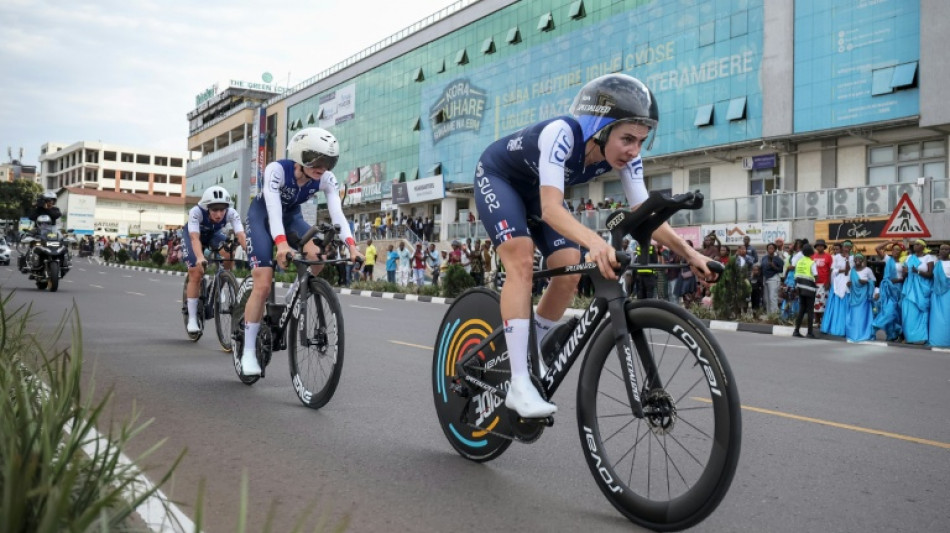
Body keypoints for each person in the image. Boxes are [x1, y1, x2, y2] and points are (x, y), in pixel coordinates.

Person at [472, 73, 716, 418]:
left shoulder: (627, 157)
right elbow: (551, 209)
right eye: (627, 138)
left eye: (641, 142)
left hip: (536, 192)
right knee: (522, 261)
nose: (634, 150)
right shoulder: (562, 133)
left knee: (569, 268)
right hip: (500, 178)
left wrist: (690, 253)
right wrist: (597, 242)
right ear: (600, 130)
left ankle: (535, 347)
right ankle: (519, 383)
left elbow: (645, 213)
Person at [240, 127, 360, 376]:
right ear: (299, 155)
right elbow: (273, 210)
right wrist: (281, 244)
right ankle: (248, 351)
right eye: (316, 159)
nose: (322, 166)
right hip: (263, 217)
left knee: (318, 256)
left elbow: (337, 213)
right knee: (262, 284)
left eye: (329, 160)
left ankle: (296, 295)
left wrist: (352, 245)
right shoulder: (276, 170)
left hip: (291, 217)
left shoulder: (326, 178)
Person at [183, 186, 248, 333]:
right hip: (193, 236)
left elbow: (241, 235)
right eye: (214, 210)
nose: (219, 214)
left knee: (229, 252)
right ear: (207, 208)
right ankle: (192, 317)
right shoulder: (196, 212)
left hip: (213, 234)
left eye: (222, 210)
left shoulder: (231, 213)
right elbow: (194, 238)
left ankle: (222, 280)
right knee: (195, 272)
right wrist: (200, 257)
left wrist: (251, 253)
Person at [900, 239, 935, 344]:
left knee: (921, 312)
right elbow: (904, 275)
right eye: (914, 244)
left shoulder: (928, 257)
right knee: (909, 313)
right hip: (909, 288)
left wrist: (918, 271)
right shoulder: (909, 257)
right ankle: (909, 337)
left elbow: (930, 275)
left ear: (923, 246)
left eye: (918, 244)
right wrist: (905, 272)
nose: (915, 246)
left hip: (922, 289)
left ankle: (921, 337)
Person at [872, 242, 904, 341]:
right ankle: (876, 325)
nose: (895, 251)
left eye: (898, 249)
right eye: (894, 249)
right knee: (889, 311)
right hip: (888, 289)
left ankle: (893, 335)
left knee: (897, 313)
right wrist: (889, 241)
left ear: (901, 252)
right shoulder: (888, 259)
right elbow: (877, 248)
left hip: (899, 289)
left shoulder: (904, 261)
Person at [821, 240, 853, 337]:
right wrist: (840, 271)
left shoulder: (853, 258)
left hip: (847, 282)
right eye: (845, 246)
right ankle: (832, 327)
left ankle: (844, 328)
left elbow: (849, 271)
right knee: (835, 305)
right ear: (842, 247)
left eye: (848, 247)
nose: (846, 248)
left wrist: (847, 260)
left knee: (846, 306)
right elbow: (832, 270)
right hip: (837, 282)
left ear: (851, 248)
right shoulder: (836, 257)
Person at [845, 253, 876, 342]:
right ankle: (853, 334)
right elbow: (849, 282)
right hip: (854, 297)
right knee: (854, 317)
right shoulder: (852, 271)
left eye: (860, 258)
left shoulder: (867, 270)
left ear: (863, 260)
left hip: (864, 297)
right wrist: (848, 284)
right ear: (854, 260)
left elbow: (873, 281)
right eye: (856, 258)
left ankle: (863, 334)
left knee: (862, 317)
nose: (857, 260)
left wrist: (866, 282)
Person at [792, 244, 818, 338]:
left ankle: (796, 331)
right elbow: (815, 275)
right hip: (810, 289)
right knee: (810, 310)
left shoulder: (799, 262)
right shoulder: (811, 262)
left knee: (801, 310)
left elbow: (796, 275)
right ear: (811, 253)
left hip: (800, 288)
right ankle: (810, 333)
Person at [928, 243, 950, 348]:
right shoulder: (937, 264)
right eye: (942, 249)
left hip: (948, 294)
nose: (944, 251)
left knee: (947, 317)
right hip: (936, 294)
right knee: (936, 318)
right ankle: (937, 339)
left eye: (946, 249)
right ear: (939, 251)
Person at [811, 239, 833, 327]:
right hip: (814, 283)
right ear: (816, 247)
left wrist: (828, 281)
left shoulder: (828, 256)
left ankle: (824, 321)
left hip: (824, 283)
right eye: (818, 246)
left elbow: (831, 270)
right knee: (815, 302)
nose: (819, 247)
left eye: (821, 246)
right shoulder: (812, 256)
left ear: (824, 247)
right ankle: (816, 320)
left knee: (824, 303)